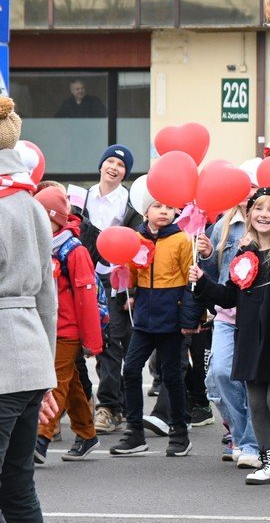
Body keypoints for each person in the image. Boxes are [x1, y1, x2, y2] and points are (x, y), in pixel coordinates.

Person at [188, 187, 270, 485]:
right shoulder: (244, 254)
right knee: (257, 404)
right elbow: (229, 297)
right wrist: (203, 283)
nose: (264, 215)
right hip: (250, 339)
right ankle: (268, 463)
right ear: (249, 215)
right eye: (258, 208)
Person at [0, 96, 60, 522]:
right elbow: (48, 298)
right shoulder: (31, 203)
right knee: (19, 487)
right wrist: (47, 374)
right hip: (31, 356)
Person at [109, 195, 197, 458]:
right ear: (145, 211)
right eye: (157, 206)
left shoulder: (182, 239)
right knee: (131, 370)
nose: (164, 212)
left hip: (171, 318)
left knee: (171, 376)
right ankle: (134, 432)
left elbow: (190, 282)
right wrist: (126, 282)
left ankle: (179, 433)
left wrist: (189, 319)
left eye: (169, 207)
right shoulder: (137, 239)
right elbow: (134, 273)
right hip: (145, 319)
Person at [33, 187, 104, 463]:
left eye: (43, 217)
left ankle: (41, 439)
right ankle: (87, 434)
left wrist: (92, 340)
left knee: (55, 382)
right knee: (71, 381)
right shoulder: (40, 245)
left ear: (57, 219)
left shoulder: (73, 251)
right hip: (45, 326)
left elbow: (86, 297)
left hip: (66, 330)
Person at [192, 185, 260, 468]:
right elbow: (216, 276)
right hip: (226, 314)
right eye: (241, 187)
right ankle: (240, 433)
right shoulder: (223, 225)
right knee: (219, 374)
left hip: (255, 316)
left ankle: (250, 444)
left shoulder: (268, 223)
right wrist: (207, 256)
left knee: (250, 382)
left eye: (252, 187)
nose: (246, 192)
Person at [79, 145, 138, 436]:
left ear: (126, 172)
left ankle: (109, 407)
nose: (114, 168)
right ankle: (91, 403)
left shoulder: (131, 203)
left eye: (121, 165)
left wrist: (134, 289)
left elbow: (139, 247)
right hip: (82, 278)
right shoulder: (81, 197)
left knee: (112, 341)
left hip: (115, 281)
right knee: (82, 344)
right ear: (101, 165)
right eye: (110, 162)